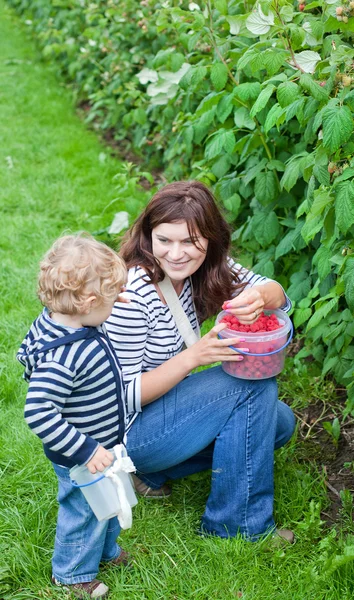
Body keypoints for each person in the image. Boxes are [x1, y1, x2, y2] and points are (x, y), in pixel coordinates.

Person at [106, 181, 296, 543]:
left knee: (279, 422)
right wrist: (194, 357)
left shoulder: (206, 269)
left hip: (162, 414)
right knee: (251, 385)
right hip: (126, 435)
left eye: (190, 241)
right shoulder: (131, 297)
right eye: (164, 240)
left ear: (209, 239)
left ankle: (152, 476)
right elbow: (119, 397)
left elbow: (277, 294)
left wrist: (259, 296)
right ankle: (236, 524)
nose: (176, 254)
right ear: (148, 238)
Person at [17, 234, 132, 599]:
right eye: (111, 298)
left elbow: (87, 311)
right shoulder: (63, 355)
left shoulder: (67, 320)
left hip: (103, 446)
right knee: (84, 511)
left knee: (109, 500)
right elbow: (37, 411)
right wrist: (85, 450)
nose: (115, 304)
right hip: (82, 455)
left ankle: (106, 552)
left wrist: (106, 304)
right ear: (89, 302)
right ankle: (72, 575)